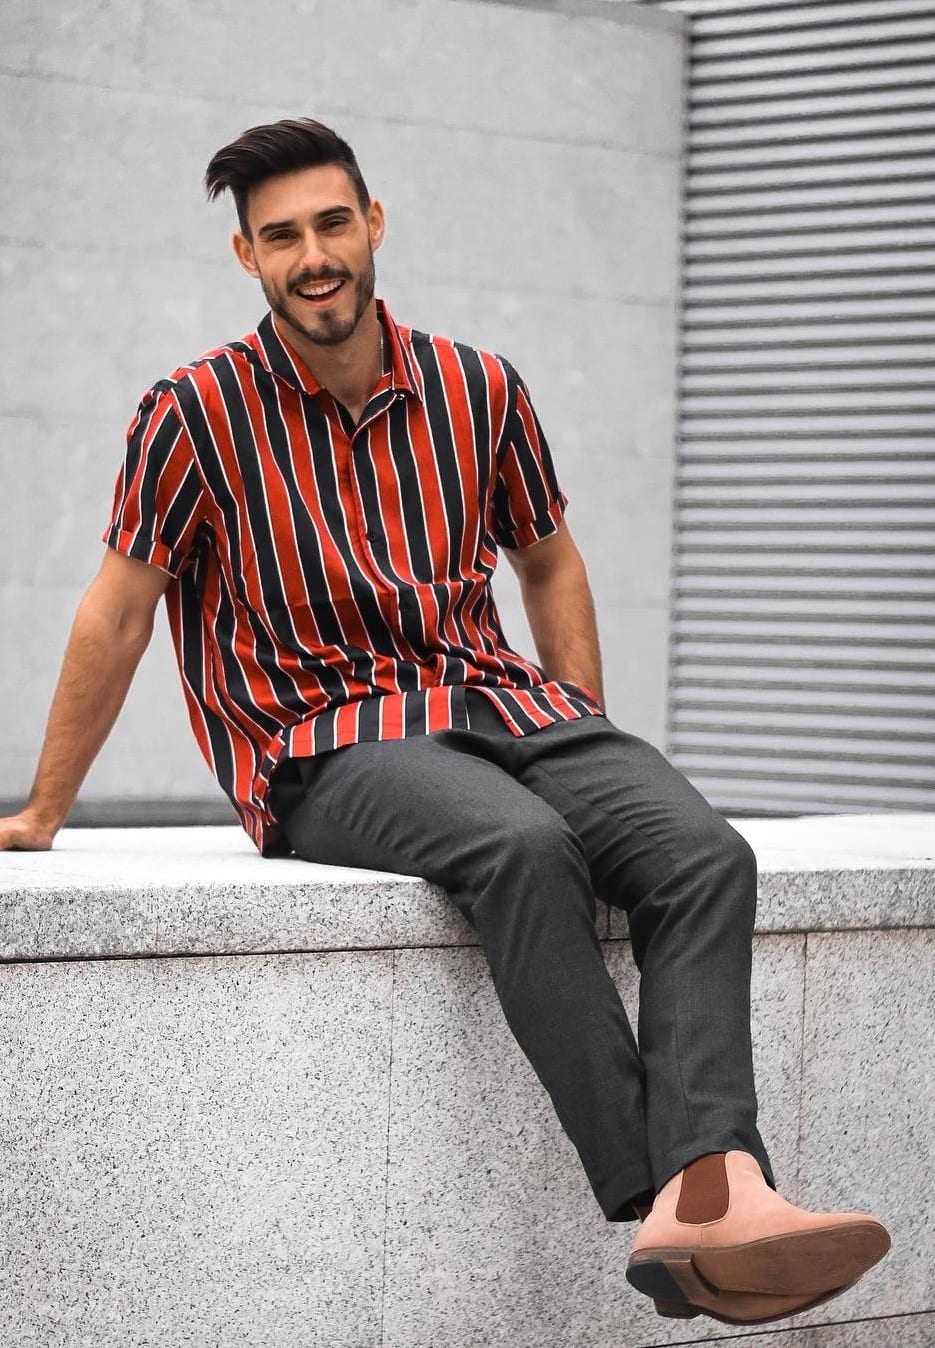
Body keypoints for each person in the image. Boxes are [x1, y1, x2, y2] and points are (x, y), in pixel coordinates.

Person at [0, 117, 889, 1326]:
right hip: (323, 738)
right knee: (522, 848)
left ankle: (715, 1193)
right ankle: (679, 1194)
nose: (311, 255)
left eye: (328, 223)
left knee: (702, 853)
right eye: (279, 237)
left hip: (504, 703)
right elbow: (116, 614)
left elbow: (550, 562)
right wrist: (47, 808)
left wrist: (582, 727)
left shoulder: (479, 386)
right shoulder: (193, 411)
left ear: (372, 226)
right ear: (245, 258)